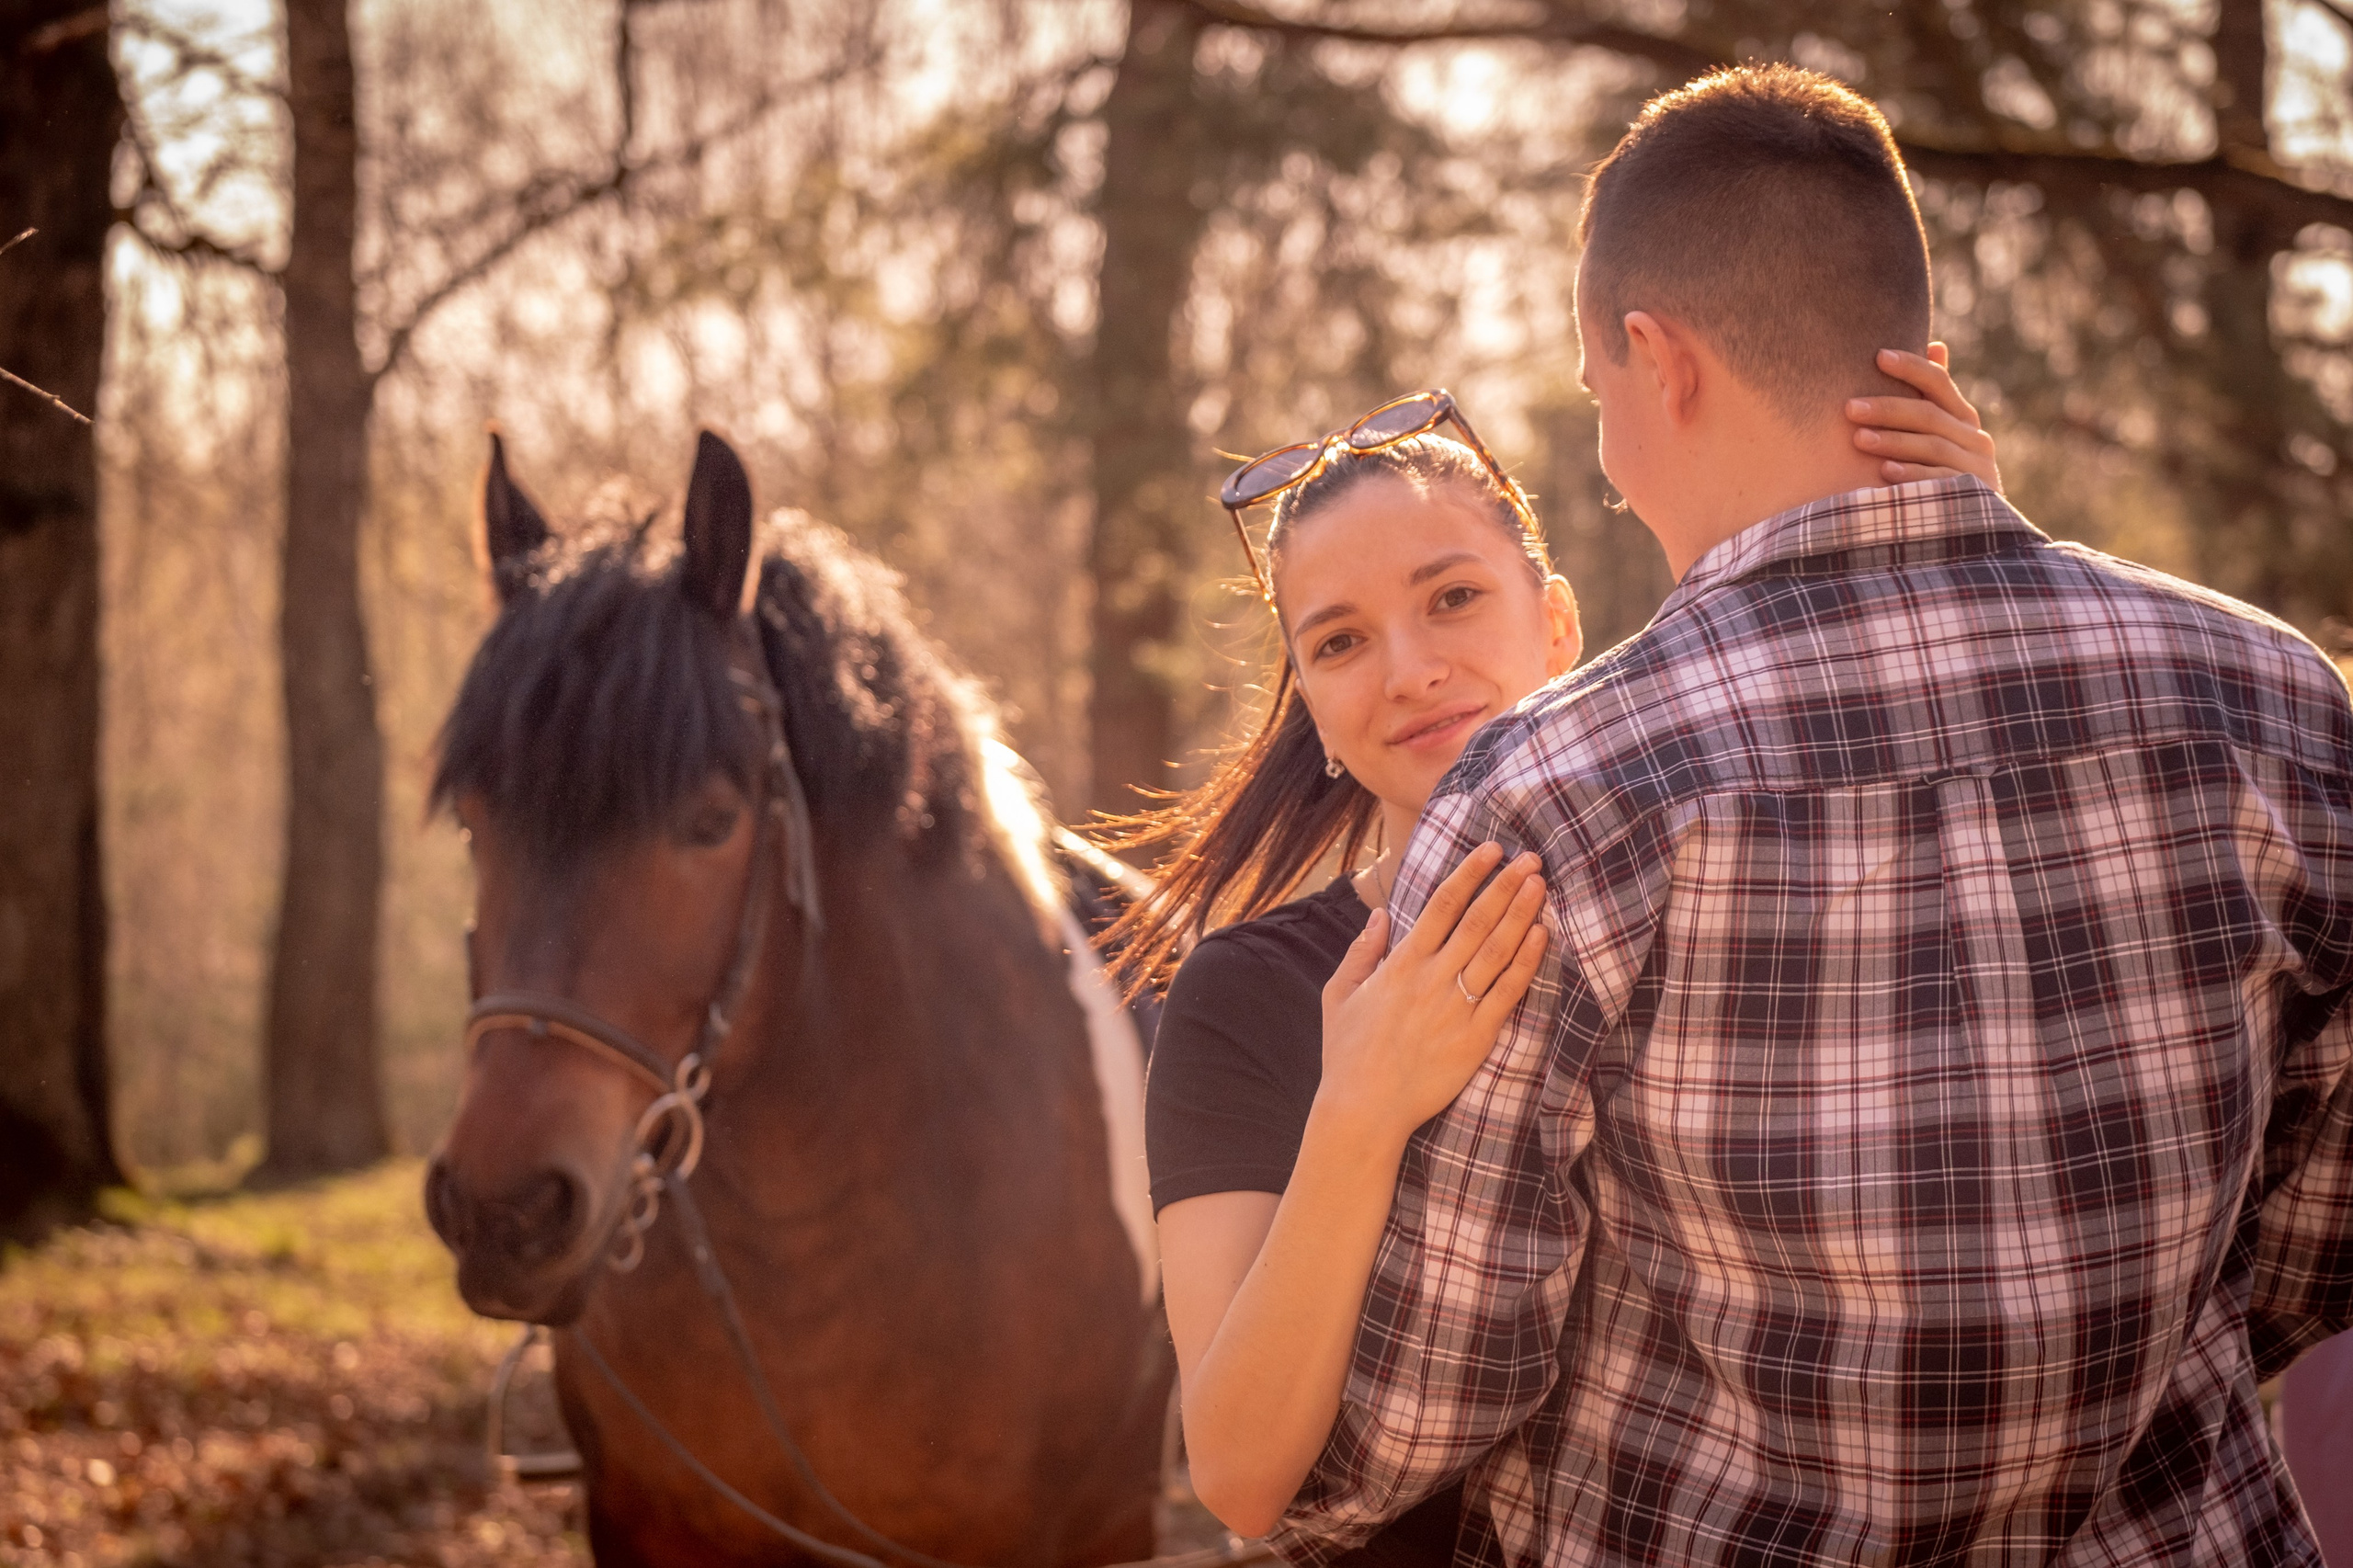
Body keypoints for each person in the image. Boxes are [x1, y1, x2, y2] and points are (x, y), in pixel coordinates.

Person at [1268, 62, 2353, 1568]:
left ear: (1661, 361)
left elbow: (1401, 1426)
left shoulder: (1555, 796)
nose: (1602, 455)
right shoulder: (2273, 697)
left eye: (1596, 399)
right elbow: (2313, 1232)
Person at [1104, 366, 2006, 1559]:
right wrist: (1359, 1107)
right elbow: (1236, 1475)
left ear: (1562, 624)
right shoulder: (1249, 993)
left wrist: (1969, 560)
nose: (1410, 668)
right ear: (1312, 708)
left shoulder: (1716, 877)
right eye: (1339, 641)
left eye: (1454, 596)